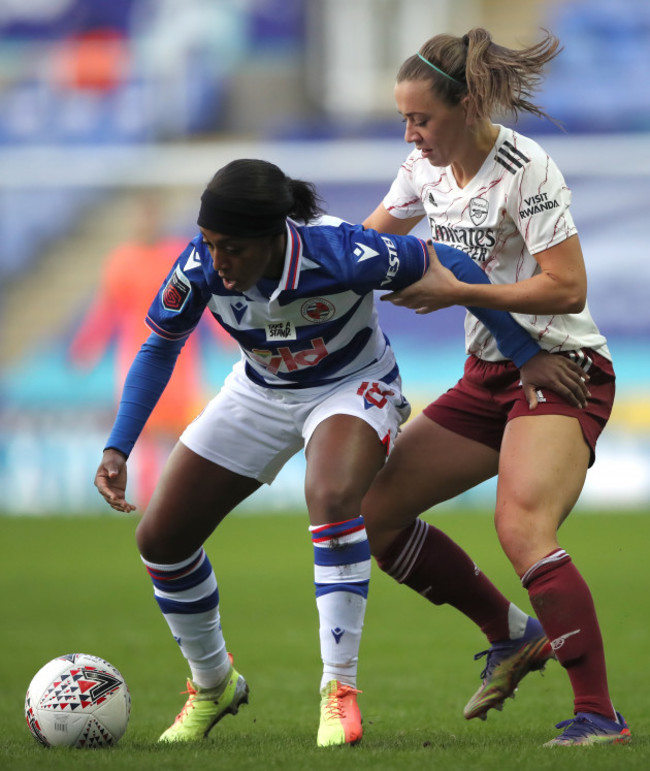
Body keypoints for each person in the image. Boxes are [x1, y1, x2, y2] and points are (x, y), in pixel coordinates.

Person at [93, 158, 587, 748]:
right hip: (259, 390)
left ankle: (339, 690)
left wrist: (521, 350)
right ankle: (213, 685)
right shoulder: (200, 266)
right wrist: (118, 445)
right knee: (161, 540)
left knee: (329, 494)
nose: (217, 260)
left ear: (274, 237)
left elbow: (449, 264)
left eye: (232, 248)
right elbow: (158, 348)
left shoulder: (341, 253)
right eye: (208, 243)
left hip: (351, 386)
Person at [360, 28, 630, 747]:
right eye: (404, 121)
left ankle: (599, 715)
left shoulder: (525, 167)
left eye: (422, 119)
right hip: (488, 376)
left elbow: (568, 285)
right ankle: (511, 634)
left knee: (520, 528)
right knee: (375, 514)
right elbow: (369, 246)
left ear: (468, 103)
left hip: (562, 366)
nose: (412, 135)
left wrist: (455, 291)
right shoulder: (422, 169)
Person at [69, 192, 234, 508]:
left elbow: (204, 297)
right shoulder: (122, 260)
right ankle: (147, 502)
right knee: (141, 432)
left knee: (182, 433)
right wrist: (87, 345)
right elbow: (107, 310)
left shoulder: (175, 253)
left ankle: (181, 498)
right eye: (141, 216)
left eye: (151, 216)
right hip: (136, 356)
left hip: (179, 356)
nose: (146, 222)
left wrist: (225, 333)